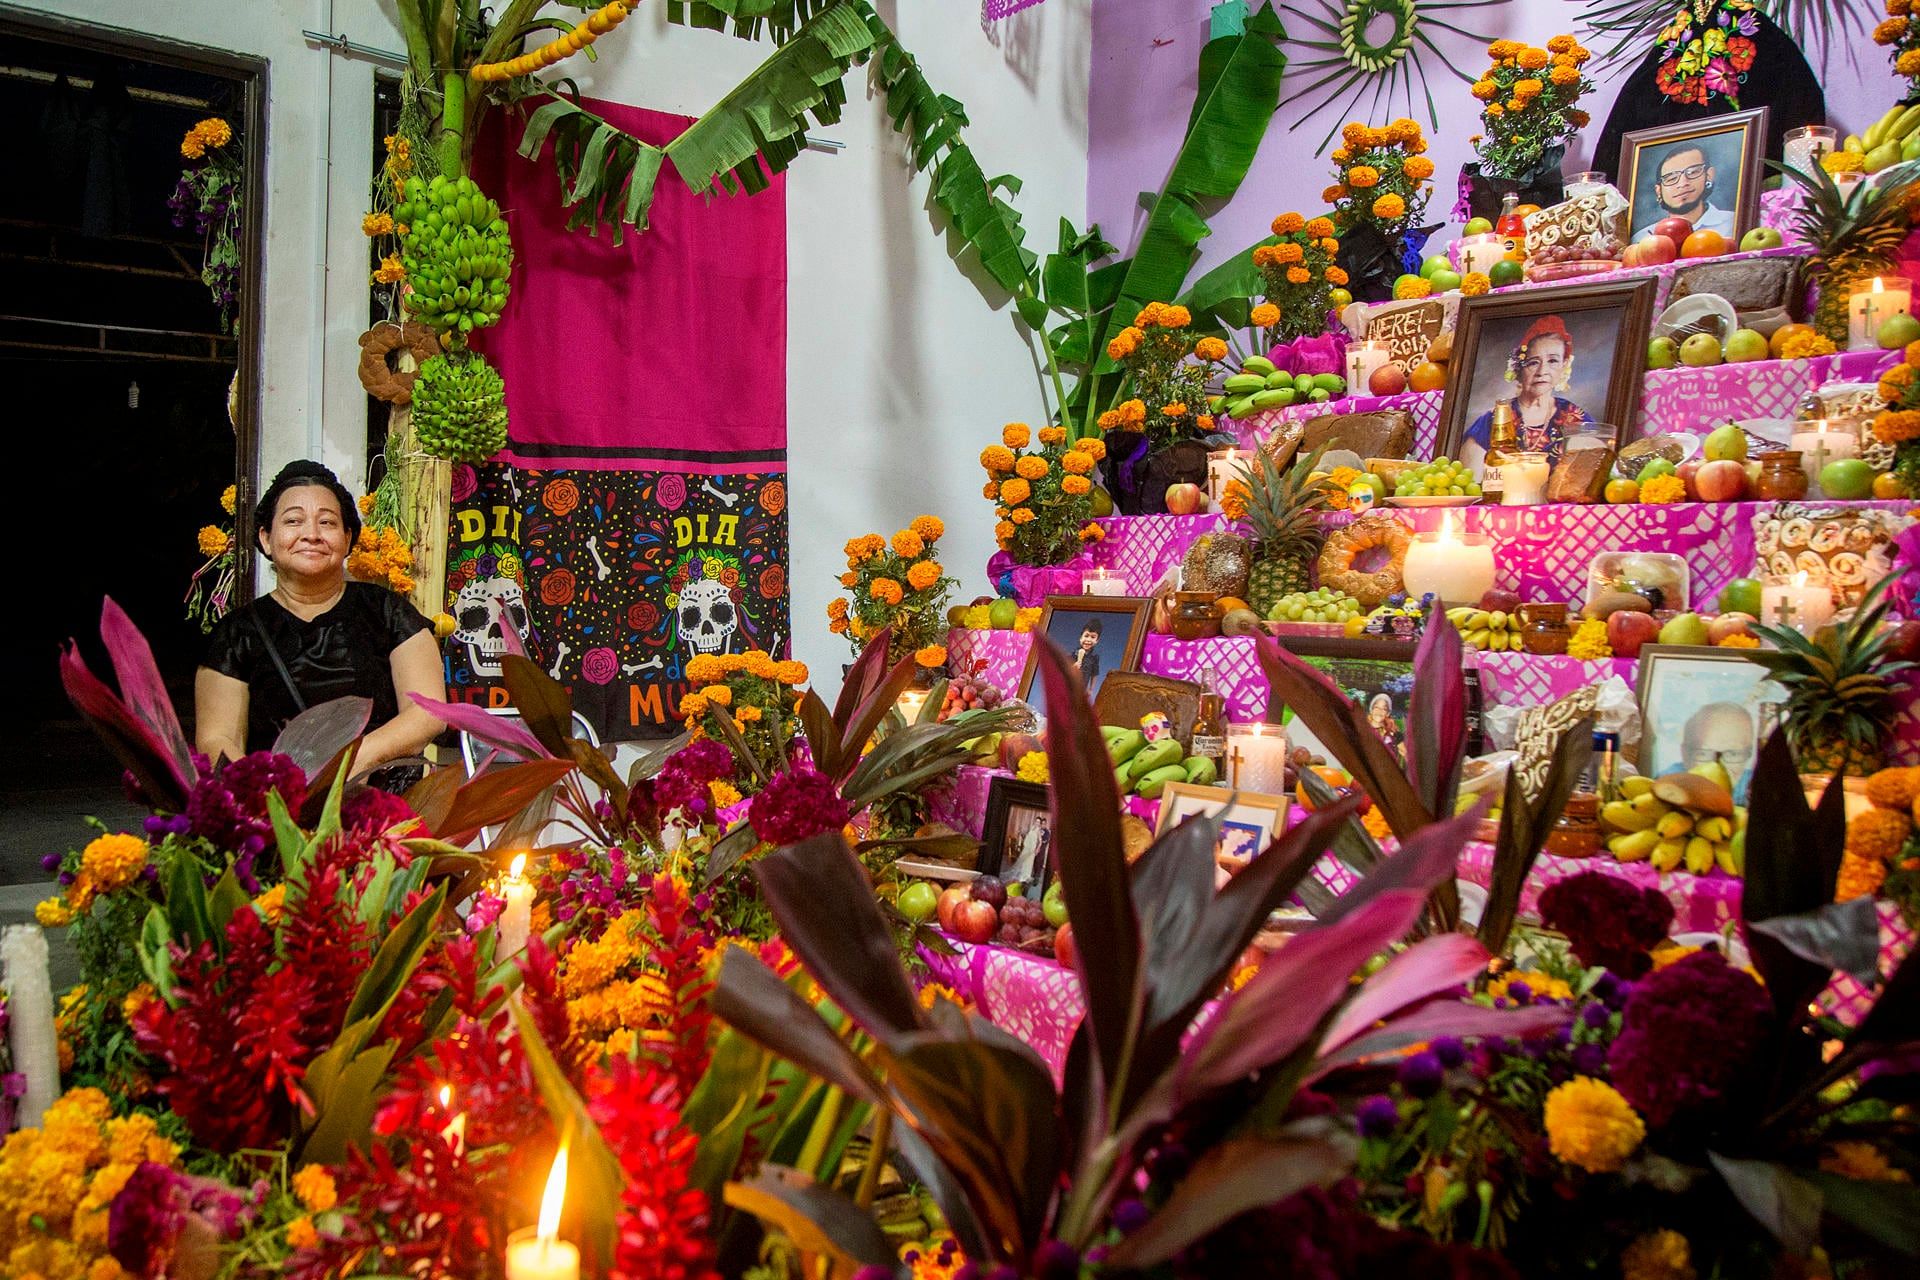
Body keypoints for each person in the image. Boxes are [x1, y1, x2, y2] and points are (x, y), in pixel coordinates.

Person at [196, 460, 447, 784]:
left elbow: (428, 713)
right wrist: (268, 795)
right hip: (280, 812)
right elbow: (217, 739)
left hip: (385, 814)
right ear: (266, 538)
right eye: (293, 520)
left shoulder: (388, 612)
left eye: (327, 522)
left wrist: (352, 764)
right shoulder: (236, 634)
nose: (311, 534)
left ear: (347, 538)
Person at [1461, 316, 1597, 472]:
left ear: (1564, 365)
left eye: (1552, 361)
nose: (1542, 372)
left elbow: (1589, 477)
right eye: (1533, 362)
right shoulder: (1493, 421)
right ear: (1519, 368)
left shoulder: (1575, 418)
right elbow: (1472, 483)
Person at [1632, 141, 1737, 241]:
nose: (1682, 183)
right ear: (1659, 191)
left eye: (1692, 172)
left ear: (1709, 175)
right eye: (1671, 178)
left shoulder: (1733, 223)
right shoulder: (1642, 239)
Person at [1679, 701, 1758, 797]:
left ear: (1748, 754)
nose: (1718, 767)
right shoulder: (1666, 785)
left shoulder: (1756, 785)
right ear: (1685, 755)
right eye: (1704, 753)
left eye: (1732, 754)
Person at [1070, 618, 1104, 687]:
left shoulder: (1094, 658)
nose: (1088, 640)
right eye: (1086, 636)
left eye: (1093, 637)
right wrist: (1073, 667)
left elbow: (1094, 674)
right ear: (1080, 638)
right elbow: (1064, 671)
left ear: (1097, 641)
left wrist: (1090, 689)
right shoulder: (1074, 655)